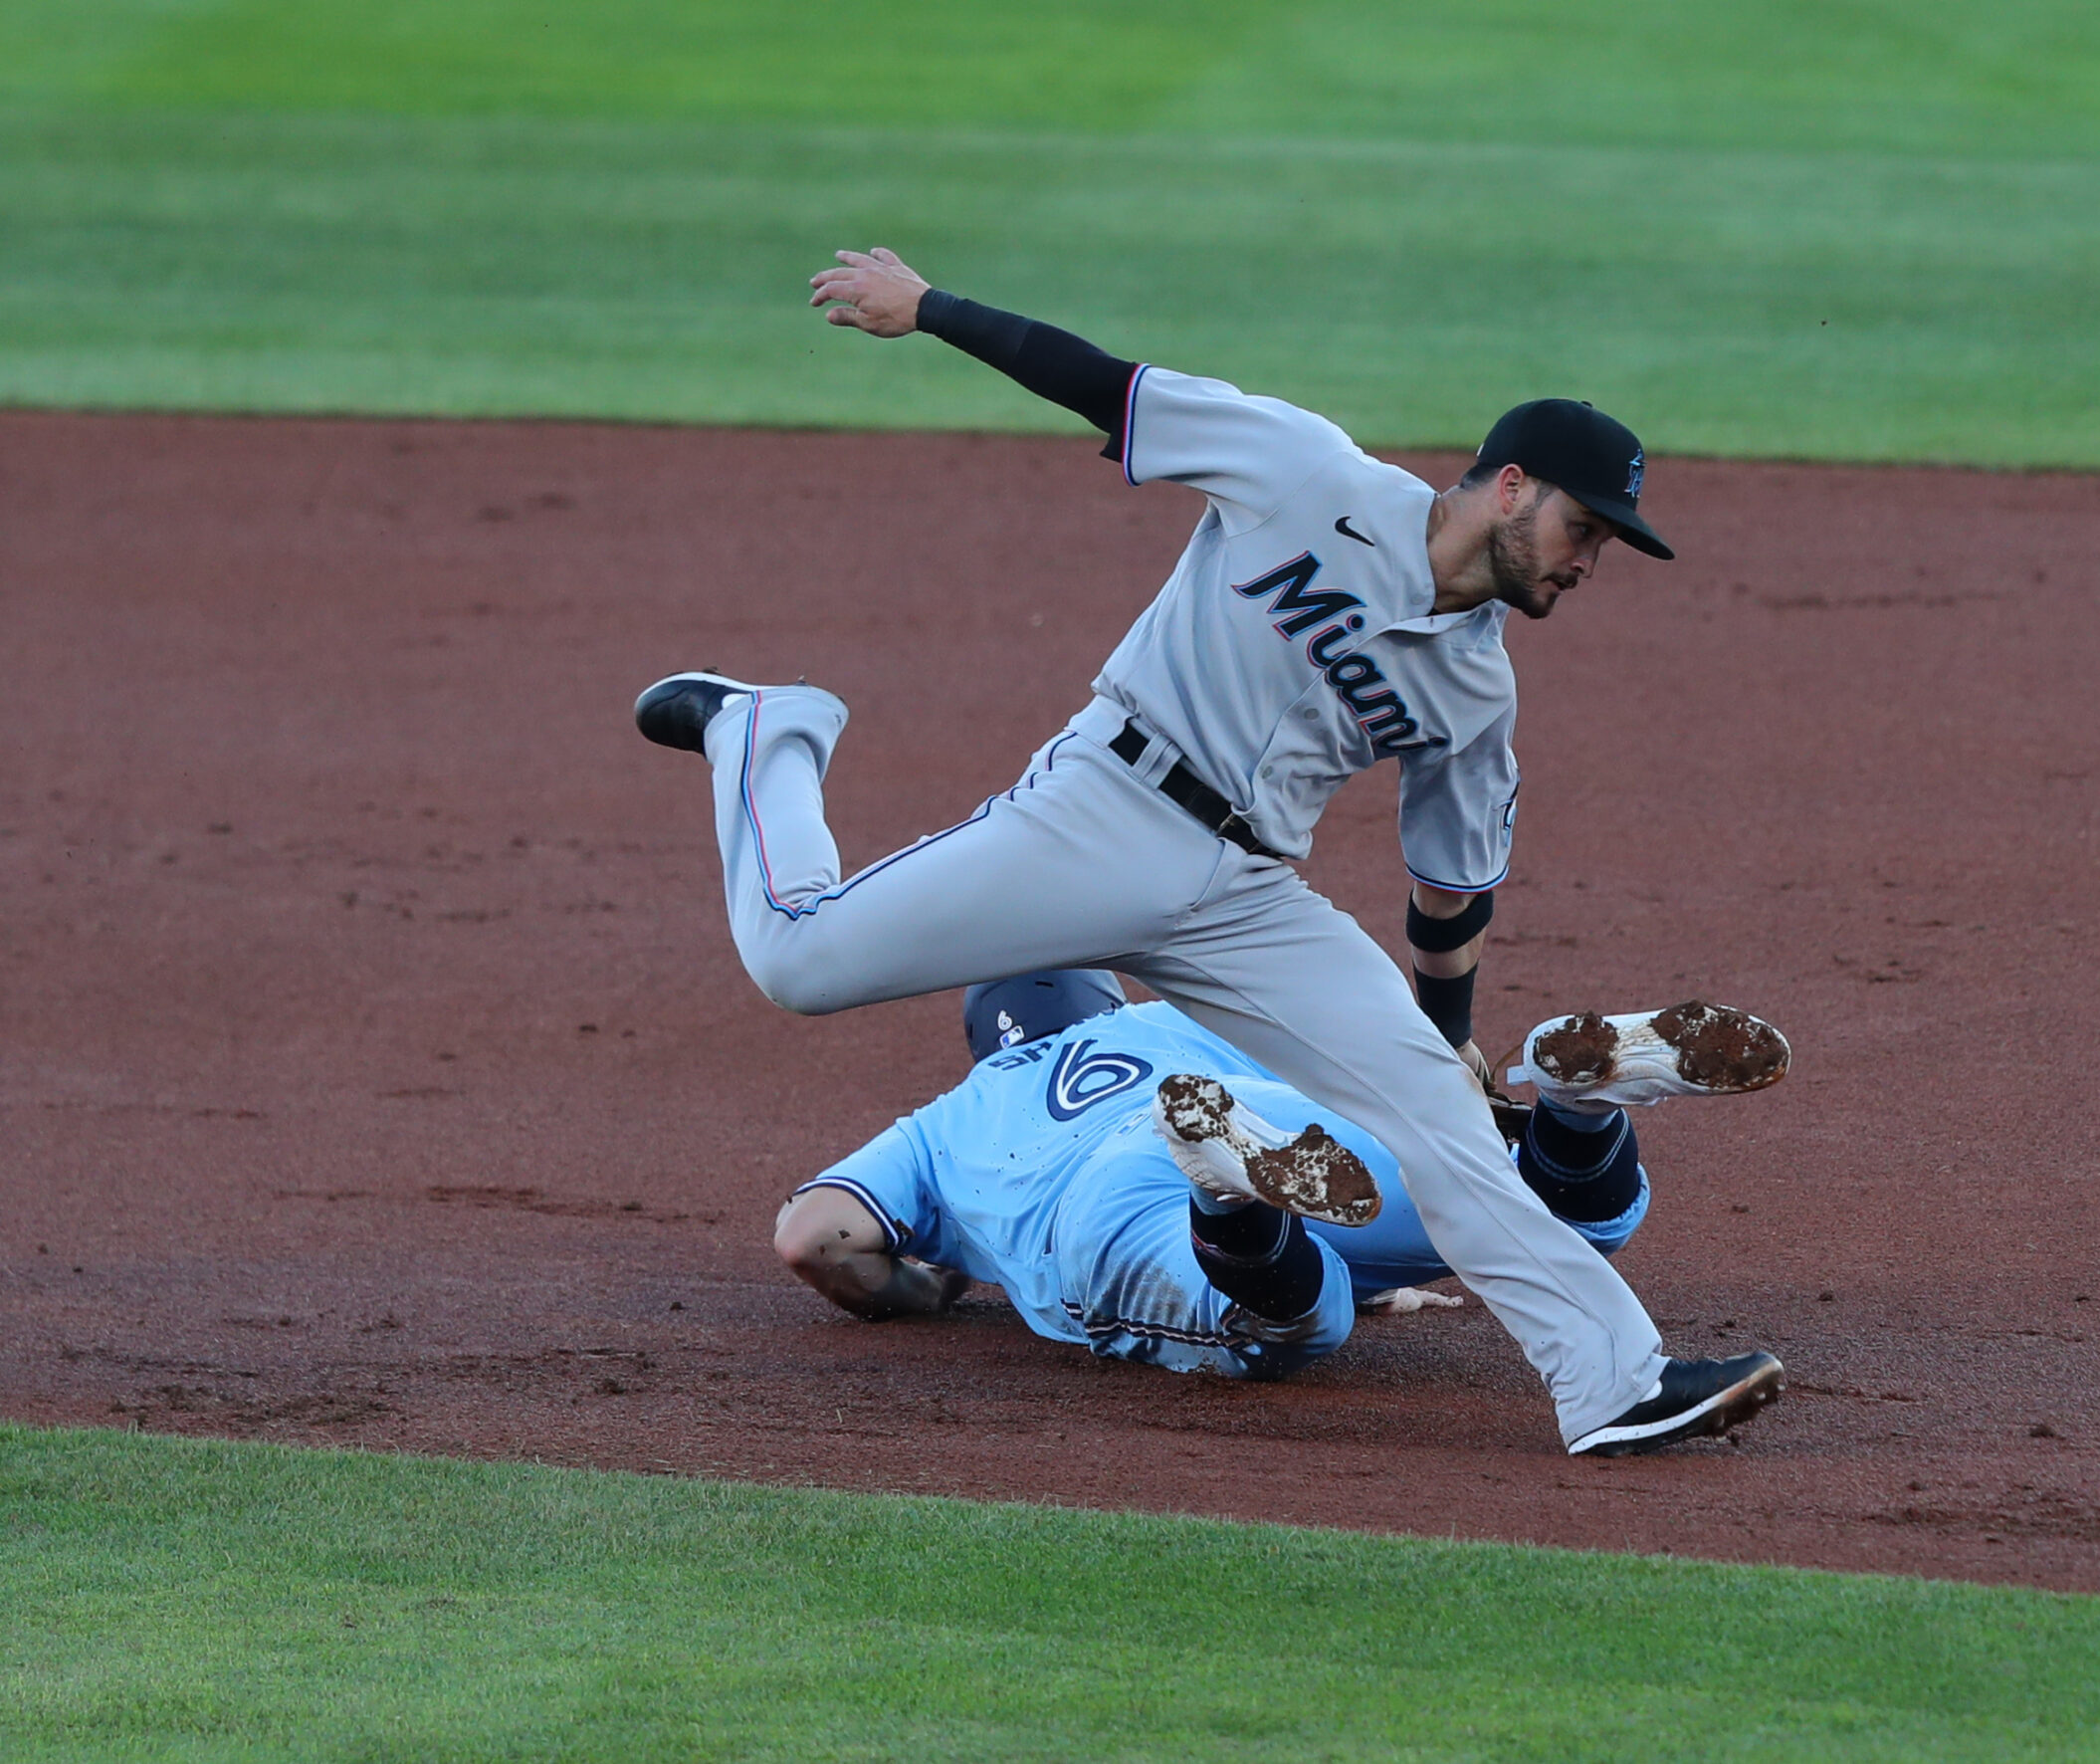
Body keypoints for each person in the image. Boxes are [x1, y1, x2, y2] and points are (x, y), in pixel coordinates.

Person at [634, 244, 1790, 1454]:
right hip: (1099, 810)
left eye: (1606, 542)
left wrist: (1439, 1045)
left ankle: (1611, 1381)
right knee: (799, 963)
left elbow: (1450, 892)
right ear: (1509, 485)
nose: (1589, 559)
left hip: (1244, 894)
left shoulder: (1476, 687)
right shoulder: (1305, 471)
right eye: (1583, 526)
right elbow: (1108, 385)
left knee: (1439, 1119)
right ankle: (767, 732)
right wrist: (928, 310)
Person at [773, 973, 1786, 1457]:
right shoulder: (1167, 1017)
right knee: (1547, 1221)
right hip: (1264, 1105)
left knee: (1306, 1321)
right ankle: (1571, 1107)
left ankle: (1226, 1192)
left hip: (1110, 1208)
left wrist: (926, 1286)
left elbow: (813, 1236)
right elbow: (1381, 1061)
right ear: (1098, 997)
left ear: (988, 1046)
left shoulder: (945, 1121)